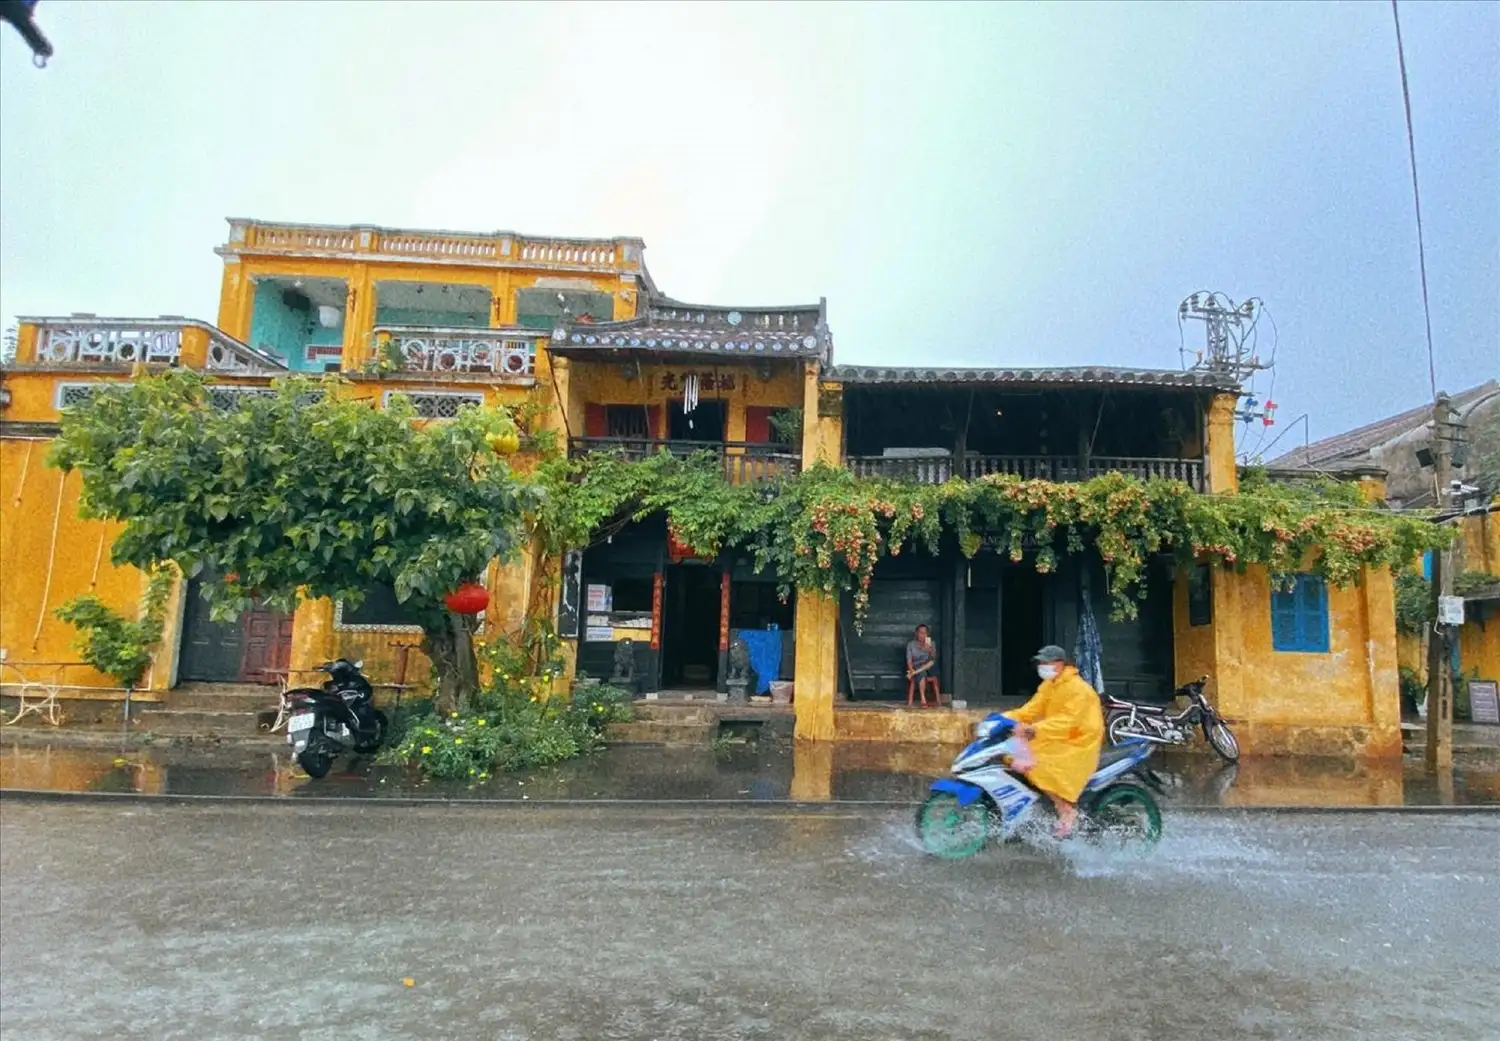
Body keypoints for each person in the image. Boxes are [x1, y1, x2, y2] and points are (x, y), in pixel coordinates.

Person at [1005, 644, 1104, 838]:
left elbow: (1068, 721)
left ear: (1059, 664)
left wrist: (1035, 729)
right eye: (1040, 663)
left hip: (1079, 741)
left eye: (1046, 662)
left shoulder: (1078, 689)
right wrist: (1002, 719)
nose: (1042, 666)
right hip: (1056, 737)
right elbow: (1029, 711)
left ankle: (1066, 809)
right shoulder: (1049, 686)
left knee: (1036, 763)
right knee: (1011, 752)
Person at [905, 624, 940, 707]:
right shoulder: (911, 645)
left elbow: (933, 658)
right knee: (921, 673)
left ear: (927, 634)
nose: (922, 635)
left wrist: (930, 649)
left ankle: (913, 673)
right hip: (917, 666)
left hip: (930, 666)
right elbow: (909, 660)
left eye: (925, 633)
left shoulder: (931, 643)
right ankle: (923, 699)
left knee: (931, 663)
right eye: (920, 633)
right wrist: (911, 669)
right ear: (916, 633)